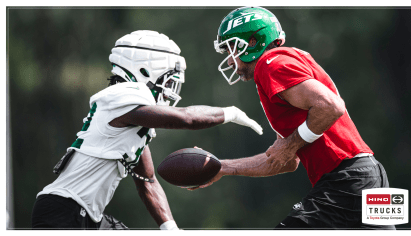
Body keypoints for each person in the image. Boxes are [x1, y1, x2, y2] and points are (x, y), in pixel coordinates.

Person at [31, 30, 263, 229]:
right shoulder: (122, 96)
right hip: (63, 212)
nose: (171, 88)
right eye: (169, 79)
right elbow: (187, 118)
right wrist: (230, 112)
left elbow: (147, 180)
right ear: (145, 69)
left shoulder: (131, 115)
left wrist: (170, 228)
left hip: (85, 215)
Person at [190, 7, 395, 229]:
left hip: (346, 180)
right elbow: (286, 161)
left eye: (231, 48)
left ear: (252, 42)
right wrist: (222, 167)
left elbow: (330, 107)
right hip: (368, 175)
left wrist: (290, 144)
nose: (230, 61)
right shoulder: (283, 64)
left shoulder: (271, 65)